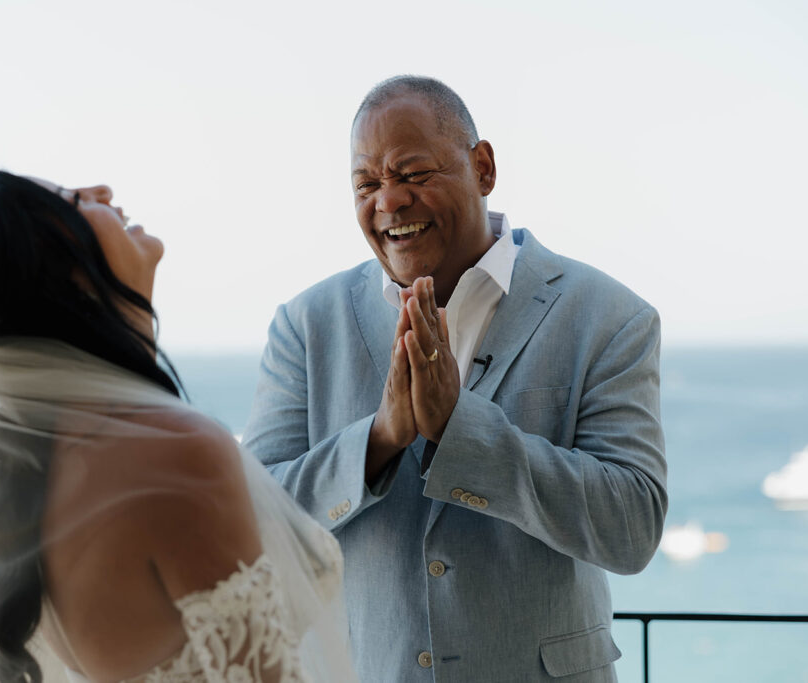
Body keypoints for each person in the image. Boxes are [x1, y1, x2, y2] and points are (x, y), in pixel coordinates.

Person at [242, 76, 667, 682]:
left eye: (412, 174)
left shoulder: (608, 315)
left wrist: (459, 431)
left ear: (483, 167)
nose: (388, 201)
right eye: (367, 184)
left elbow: (632, 527)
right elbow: (251, 524)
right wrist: (381, 439)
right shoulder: (306, 325)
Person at [0, 171, 357, 683]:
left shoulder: (40, 469)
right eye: (74, 200)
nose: (103, 192)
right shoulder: (174, 455)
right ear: (63, 273)